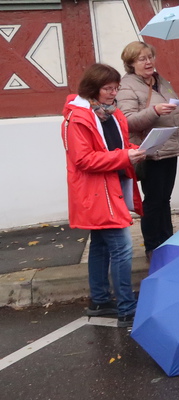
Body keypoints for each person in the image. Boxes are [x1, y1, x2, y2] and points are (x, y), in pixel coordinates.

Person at [62, 63, 145, 328]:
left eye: (116, 88)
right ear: (93, 89)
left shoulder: (111, 113)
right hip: (97, 191)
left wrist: (135, 149)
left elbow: (115, 146)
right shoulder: (79, 118)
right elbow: (84, 159)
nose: (113, 93)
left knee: (100, 245)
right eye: (108, 89)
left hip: (110, 186)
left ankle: (99, 300)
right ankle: (126, 307)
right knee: (122, 247)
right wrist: (125, 156)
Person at [117, 41, 179, 258]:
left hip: (169, 147)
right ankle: (152, 246)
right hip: (150, 152)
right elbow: (127, 121)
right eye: (142, 59)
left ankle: (167, 241)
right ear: (131, 63)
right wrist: (155, 111)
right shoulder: (127, 86)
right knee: (153, 200)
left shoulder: (160, 80)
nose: (148, 62)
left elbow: (176, 109)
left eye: (150, 57)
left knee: (164, 199)